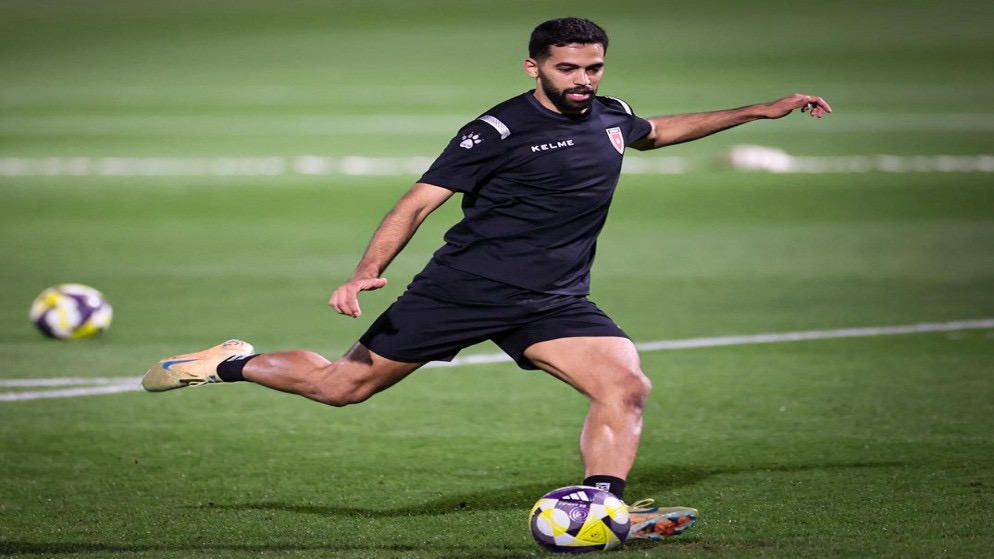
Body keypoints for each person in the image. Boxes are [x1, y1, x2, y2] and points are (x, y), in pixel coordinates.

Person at [142, 17, 831, 541]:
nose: (583, 79)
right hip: (464, 290)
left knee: (625, 386)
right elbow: (418, 201)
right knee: (339, 387)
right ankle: (230, 362)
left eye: (593, 67)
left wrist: (755, 110)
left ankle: (602, 507)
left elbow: (653, 130)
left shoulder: (609, 113)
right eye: (568, 68)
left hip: (554, 300)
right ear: (535, 67)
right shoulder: (496, 130)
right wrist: (366, 271)